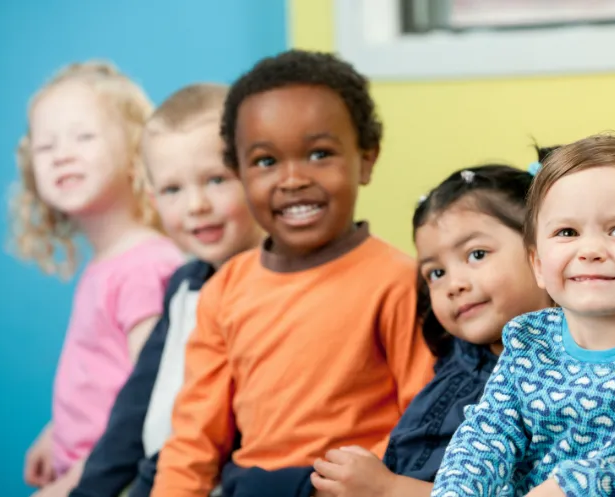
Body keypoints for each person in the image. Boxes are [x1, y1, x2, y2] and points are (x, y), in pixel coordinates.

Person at [151, 50, 435, 497]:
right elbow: (194, 437)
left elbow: (424, 416)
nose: (293, 179)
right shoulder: (224, 289)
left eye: (320, 154)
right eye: (266, 162)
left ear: (365, 158)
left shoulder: (400, 280)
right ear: (239, 172)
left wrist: (358, 478)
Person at [432, 134, 615, 496]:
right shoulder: (528, 339)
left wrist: (580, 487)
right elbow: (488, 433)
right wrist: (457, 490)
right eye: (567, 232)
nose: (589, 250)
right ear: (539, 265)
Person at [310, 161, 553, 497]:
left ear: (542, 250)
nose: (453, 285)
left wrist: (387, 489)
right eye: (435, 273)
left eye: (476, 254)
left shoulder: (555, 384)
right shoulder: (458, 359)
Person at [69, 83, 263, 497]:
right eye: (174, 189)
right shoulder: (183, 286)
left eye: (215, 180)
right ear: (153, 199)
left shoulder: (275, 283)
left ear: (255, 173)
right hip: (164, 475)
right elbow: (138, 401)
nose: (196, 205)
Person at [12, 61, 184, 496]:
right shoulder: (109, 261)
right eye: (45, 145)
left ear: (133, 151)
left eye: (83, 136)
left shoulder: (144, 266)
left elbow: (156, 399)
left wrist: (78, 479)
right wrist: (58, 432)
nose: (62, 153)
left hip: (119, 478)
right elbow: (106, 376)